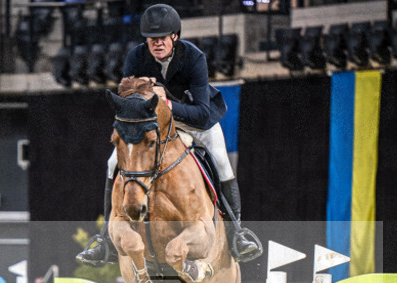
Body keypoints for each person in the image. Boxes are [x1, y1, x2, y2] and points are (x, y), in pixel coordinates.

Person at [76, 3, 262, 267]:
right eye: (152, 40)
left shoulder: (194, 57)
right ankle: (105, 239)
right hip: (153, 125)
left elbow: (200, 112)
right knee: (111, 163)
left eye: (162, 38)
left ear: (174, 36)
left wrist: (168, 105)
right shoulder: (136, 57)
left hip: (196, 122)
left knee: (222, 163)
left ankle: (237, 235)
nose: (157, 44)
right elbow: (130, 102)